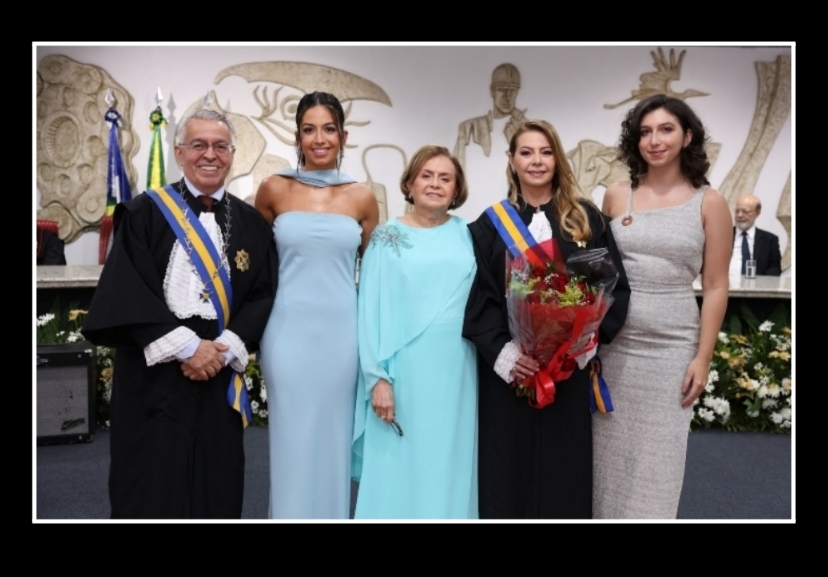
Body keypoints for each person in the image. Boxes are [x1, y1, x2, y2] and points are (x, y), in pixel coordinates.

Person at [81, 109, 278, 518]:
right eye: (198, 145)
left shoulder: (252, 225)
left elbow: (262, 295)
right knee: (150, 480)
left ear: (232, 153)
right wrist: (190, 348)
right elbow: (127, 292)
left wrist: (224, 347)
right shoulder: (142, 214)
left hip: (218, 374)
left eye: (220, 146)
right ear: (179, 152)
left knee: (216, 480)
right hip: (154, 378)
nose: (210, 155)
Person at [463, 119, 630, 519]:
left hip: (567, 371)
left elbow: (609, 289)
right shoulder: (490, 225)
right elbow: (481, 297)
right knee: (507, 472)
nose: (536, 161)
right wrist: (505, 354)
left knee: (563, 473)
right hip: (512, 375)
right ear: (511, 160)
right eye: (526, 152)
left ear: (557, 158)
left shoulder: (585, 220)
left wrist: (581, 346)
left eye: (545, 152)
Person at [595, 94, 732, 519]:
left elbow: (715, 285)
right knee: (605, 465)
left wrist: (703, 358)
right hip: (613, 349)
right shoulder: (616, 196)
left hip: (671, 351)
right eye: (646, 132)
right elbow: (598, 271)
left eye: (666, 129)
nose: (655, 140)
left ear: (687, 136)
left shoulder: (710, 202)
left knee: (658, 464)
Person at [254, 91, 379, 519]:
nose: (319, 139)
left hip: (342, 336)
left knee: (334, 441)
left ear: (344, 136)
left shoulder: (363, 198)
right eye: (309, 130)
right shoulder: (274, 189)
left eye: (328, 129)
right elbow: (256, 269)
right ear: (297, 136)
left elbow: (374, 277)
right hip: (286, 334)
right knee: (290, 441)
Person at [352, 145, 478, 519]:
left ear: (456, 189)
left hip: (457, 374)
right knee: (398, 471)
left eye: (445, 178)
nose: (435, 184)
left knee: (447, 468)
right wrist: (377, 378)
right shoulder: (385, 237)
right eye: (427, 175)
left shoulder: (470, 234)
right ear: (410, 183)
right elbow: (368, 311)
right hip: (401, 373)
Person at [453, 63, 528, 169]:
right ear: (492, 91)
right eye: (502, 90)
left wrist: (516, 144)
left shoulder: (526, 128)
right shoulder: (469, 127)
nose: (507, 97)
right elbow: (455, 170)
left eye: (513, 90)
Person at [729, 193, 782, 276]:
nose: (739, 215)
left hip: (757, 283)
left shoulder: (770, 240)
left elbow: (774, 268)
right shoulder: (723, 236)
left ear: (757, 213)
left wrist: (762, 283)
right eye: (737, 211)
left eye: (745, 212)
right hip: (726, 282)